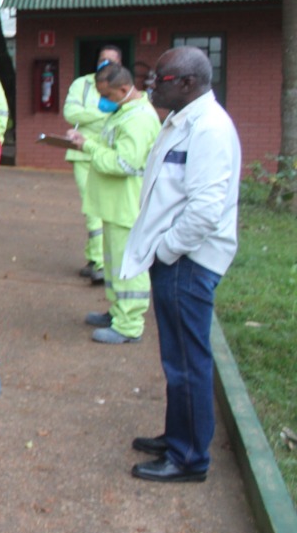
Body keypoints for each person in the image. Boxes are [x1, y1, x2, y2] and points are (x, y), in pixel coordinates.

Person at [119, 46, 241, 483]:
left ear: (188, 83)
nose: (152, 85)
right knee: (177, 357)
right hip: (175, 259)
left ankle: (189, 458)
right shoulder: (181, 120)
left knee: (187, 362)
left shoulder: (208, 129)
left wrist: (168, 249)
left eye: (161, 79)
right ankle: (178, 435)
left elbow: (206, 209)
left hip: (188, 261)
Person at [66, 64, 161, 344]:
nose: (101, 101)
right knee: (115, 265)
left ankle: (129, 325)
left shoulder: (139, 119)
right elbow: (112, 144)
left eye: (105, 94)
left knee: (128, 267)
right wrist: (86, 139)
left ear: (123, 90)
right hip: (116, 205)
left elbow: (124, 163)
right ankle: (118, 312)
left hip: (127, 206)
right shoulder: (125, 113)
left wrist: (88, 147)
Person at [63, 45, 123, 284]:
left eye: (110, 60)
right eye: (101, 59)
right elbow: (71, 113)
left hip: (108, 153)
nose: (105, 63)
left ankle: (96, 259)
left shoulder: (123, 85)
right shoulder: (82, 84)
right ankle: (98, 261)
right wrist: (103, 114)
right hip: (82, 154)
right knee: (91, 207)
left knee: (100, 207)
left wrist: (87, 113)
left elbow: (121, 113)